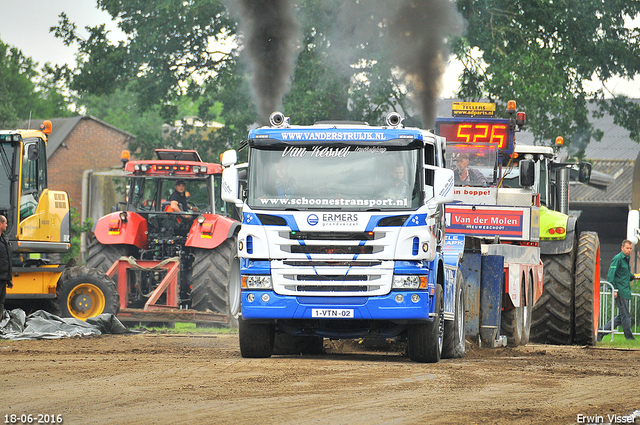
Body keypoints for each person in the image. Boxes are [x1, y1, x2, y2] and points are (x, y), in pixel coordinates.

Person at [598, 239, 637, 341]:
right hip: (620, 291)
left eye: (630, 249)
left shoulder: (627, 259)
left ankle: (601, 332)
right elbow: (611, 275)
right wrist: (613, 289)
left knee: (621, 316)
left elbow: (625, 275)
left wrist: (635, 277)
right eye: (627, 248)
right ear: (622, 248)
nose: (629, 250)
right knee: (626, 316)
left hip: (626, 291)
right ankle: (629, 338)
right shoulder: (617, 258)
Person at [0, 215, 13, 319]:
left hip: (3, 278)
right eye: (5, 223)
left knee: (1, 302)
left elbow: (8, 260)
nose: (7, 225)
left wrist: (10, 278)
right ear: (0, 224)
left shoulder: (5, 239)